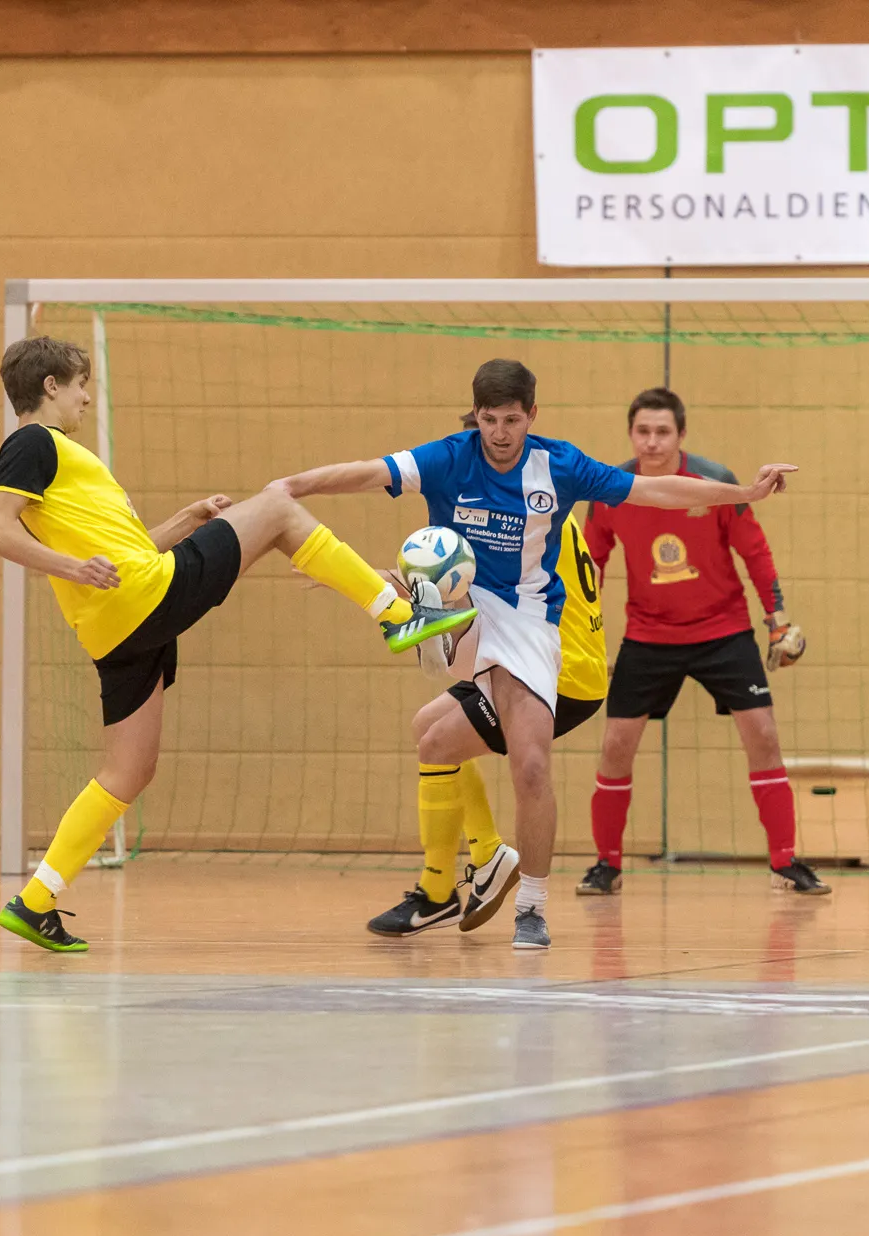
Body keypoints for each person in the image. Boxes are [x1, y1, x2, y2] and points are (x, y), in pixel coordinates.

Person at [271, 360, 796, 949]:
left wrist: (743, 493)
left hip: (533, 631)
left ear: (532, 416)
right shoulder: (447, 458)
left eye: (512, 420)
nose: (499, 433)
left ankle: (528, 904)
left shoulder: (559, 472)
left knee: (529, 766)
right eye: (489, 420)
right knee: (431, 735)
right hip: (472, 609)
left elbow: (655, 491)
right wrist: (292, 486)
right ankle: (465, 869)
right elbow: (370, 472)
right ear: (476, 417)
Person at [0, 336, 472, 952]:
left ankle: (35, 901)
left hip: (116, 622)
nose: (85, 397)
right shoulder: (34, 442)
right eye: (80, 384)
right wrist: (70, 567)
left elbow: (129, 550)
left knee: (129, 770)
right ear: (50, 386)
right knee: (280, 509)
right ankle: (398, 614)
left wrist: (185, 521)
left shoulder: (63, 460)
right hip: (140, 598)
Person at [577, 387, 827, 897]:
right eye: (642, 431)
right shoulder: (610, 491)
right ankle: (607, 865)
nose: (652, 442)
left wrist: (777, 618)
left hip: (723, 632)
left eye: (662, 432)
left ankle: (785, 861)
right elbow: (590, 565)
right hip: (648, 635)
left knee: (764, 735)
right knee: (615, 745)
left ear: (681, 435)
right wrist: (581, 634)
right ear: (631, 434)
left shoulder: (715, 483)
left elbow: (754, 552)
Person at [367, 490, 610, 940]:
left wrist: (358, 580)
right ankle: (488, 855)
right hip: (527, 651)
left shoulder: (507, 511)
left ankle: (438, 892)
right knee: (426, 726)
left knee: (437, 747)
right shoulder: (541, 500)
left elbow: (440, 591)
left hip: (557, 671)